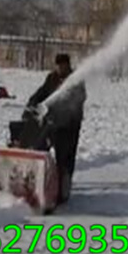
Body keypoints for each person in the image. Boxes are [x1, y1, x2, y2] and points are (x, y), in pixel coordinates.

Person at [25, 53, 86, 204]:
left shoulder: (76, 79)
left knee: (65, 156)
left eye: (62, 65)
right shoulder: (51, 78)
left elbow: (80, 97)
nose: (59, 68)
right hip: (52, 123)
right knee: (40, 148)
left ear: (67, 65)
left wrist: (65, 106)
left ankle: (63, 188)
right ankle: (41, 181)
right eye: (57, 65)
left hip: (69, 125)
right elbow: (42, 93)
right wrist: (32, 103)